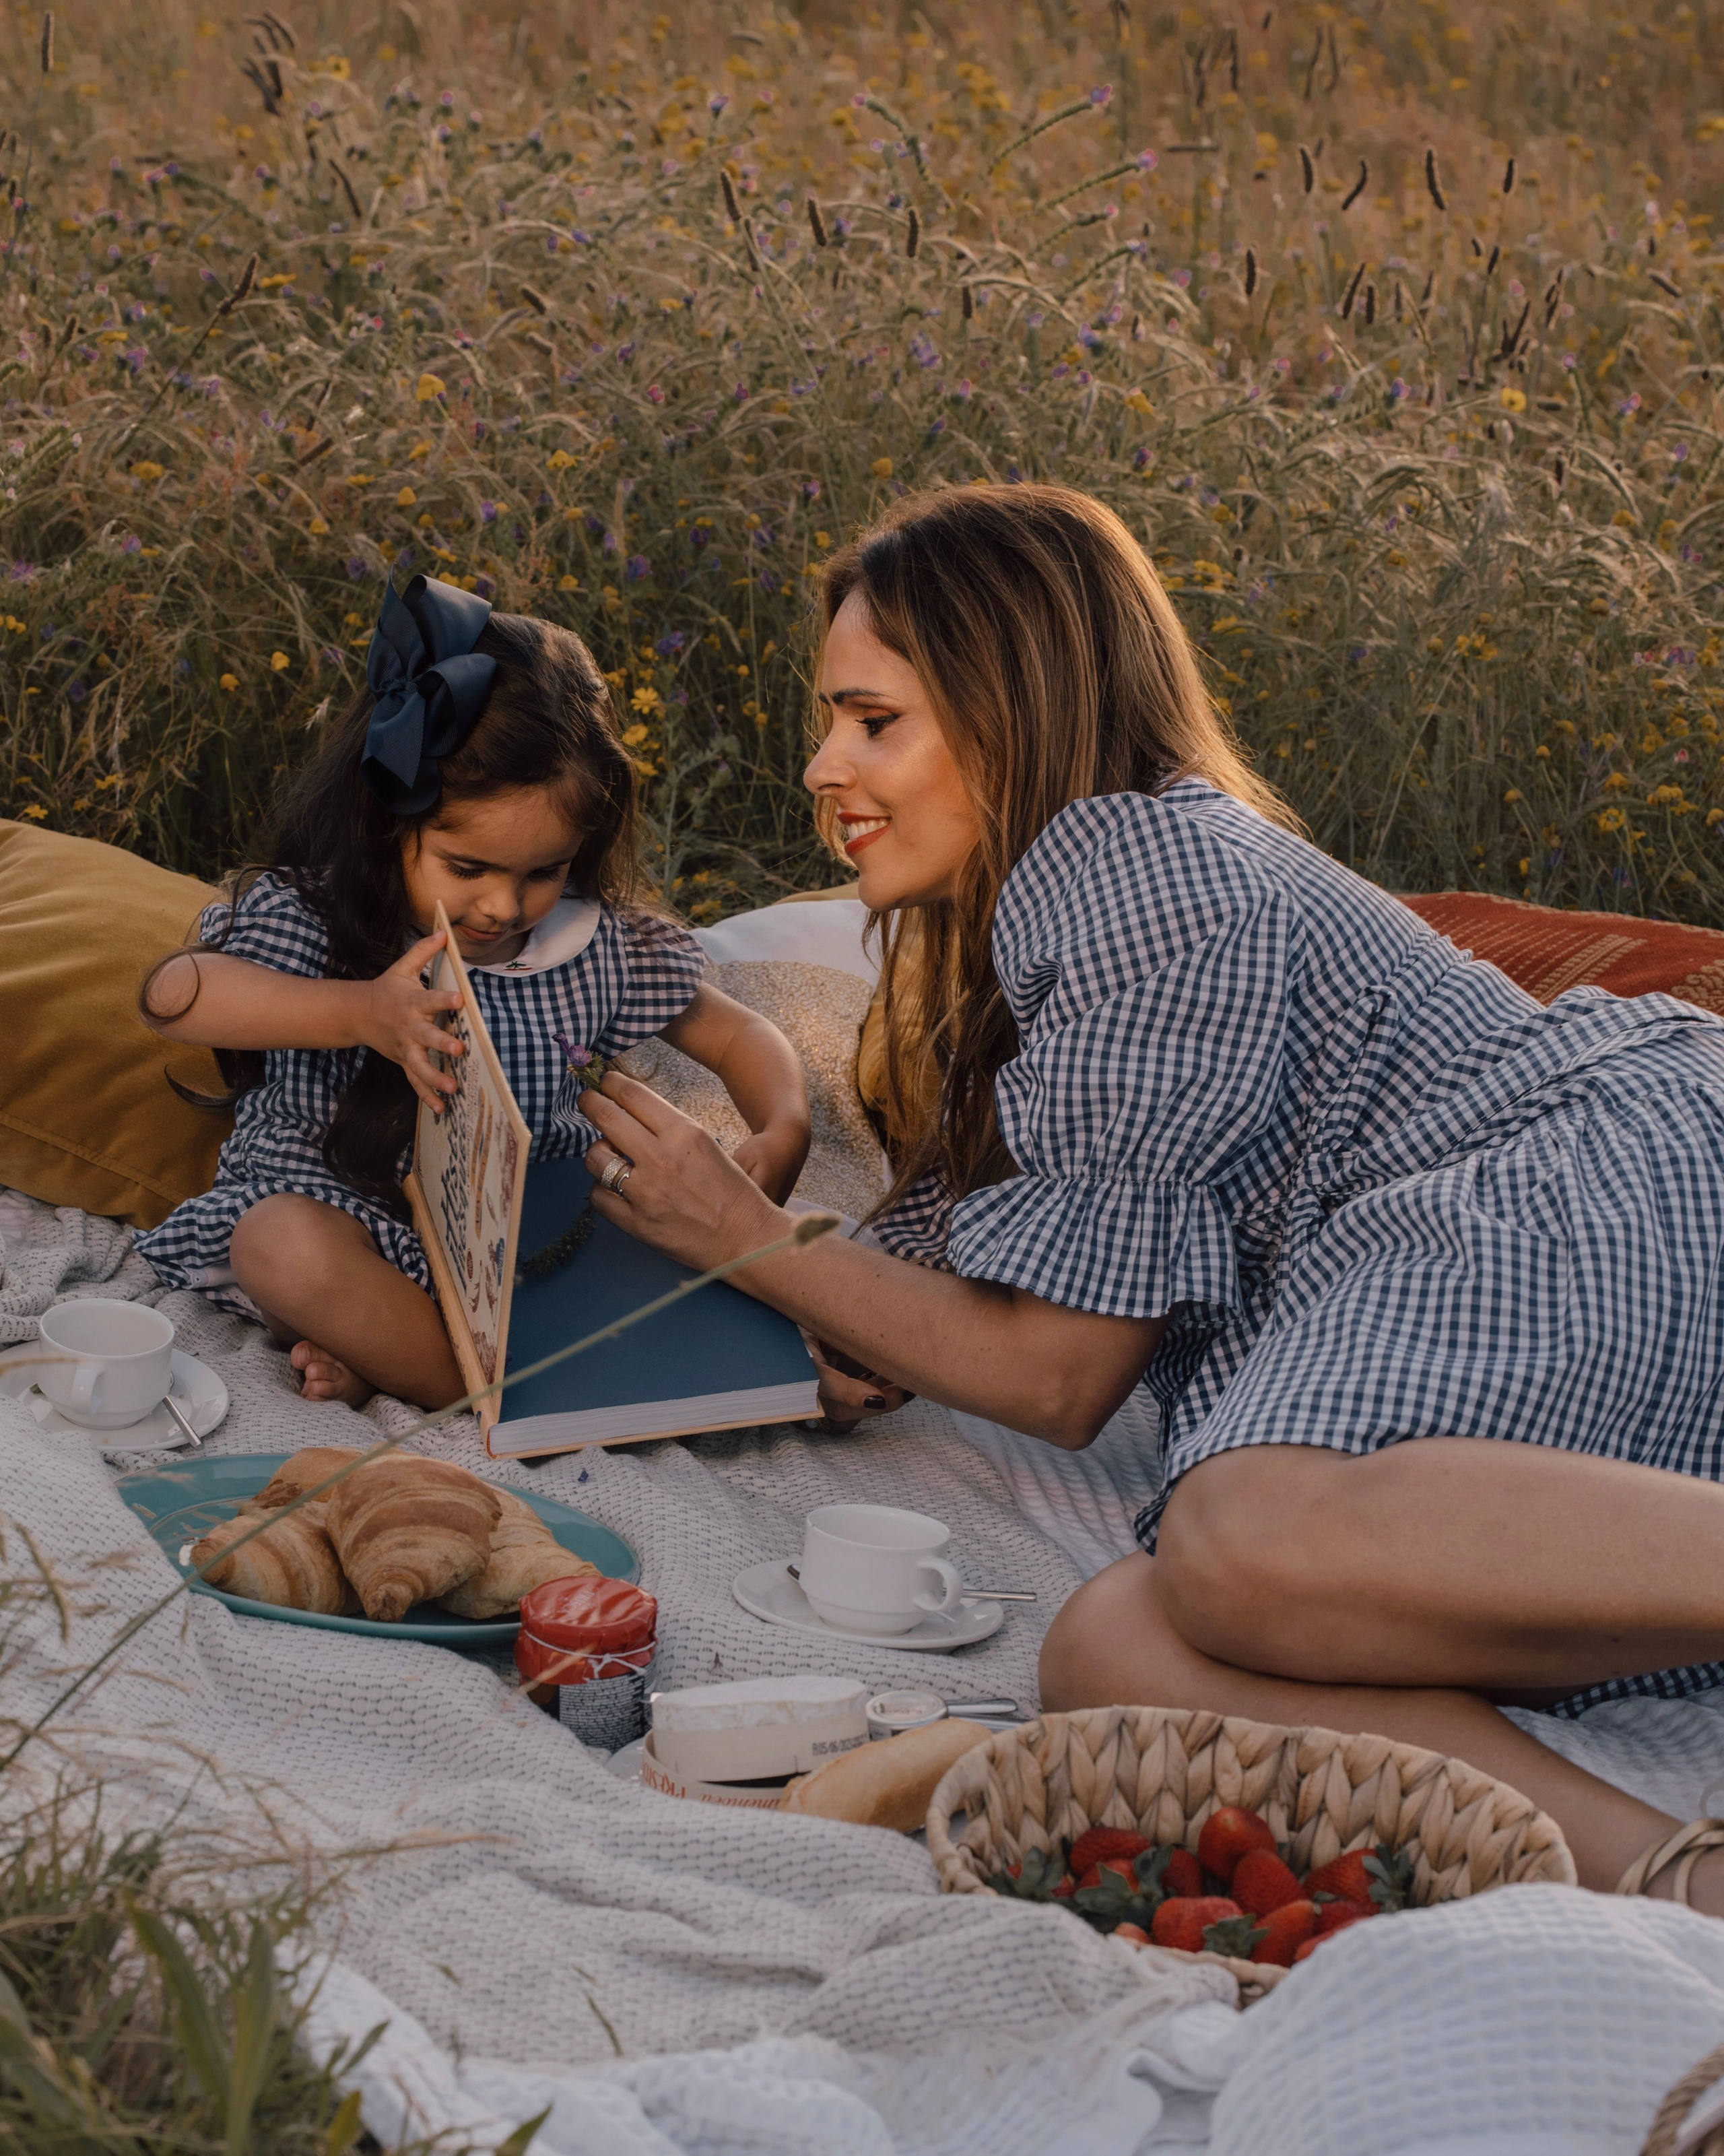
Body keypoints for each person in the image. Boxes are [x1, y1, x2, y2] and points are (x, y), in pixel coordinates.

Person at [570, 482, 1724, 1910]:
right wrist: (827, 1308)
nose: (821, 766)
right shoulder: (1049, 943)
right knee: (1111, 1652)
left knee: (1236, 1529)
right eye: (829, 721)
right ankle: (1675, 1877)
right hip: (1523, 1282)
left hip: (1574, 1165)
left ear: (1011, 704)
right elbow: (945, 1299)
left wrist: (752, 1239)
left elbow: (1056, 1372)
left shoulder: (1144, 866)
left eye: (873, 720)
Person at [138, 576, 809, 1409]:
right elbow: (176, 994)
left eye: (544, 871)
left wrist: (785, 1124)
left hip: (526, 1253)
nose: (503, 905)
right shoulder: (320, 920)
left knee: (688, 1259)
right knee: (276, 1243)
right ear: (388, 824)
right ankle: (470, 1386)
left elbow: (740, 1036)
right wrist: (359, 1013)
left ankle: (401, 1359)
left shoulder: (589, 945)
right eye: (469, 869)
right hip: (344, 1216)